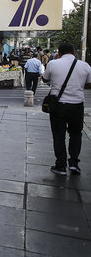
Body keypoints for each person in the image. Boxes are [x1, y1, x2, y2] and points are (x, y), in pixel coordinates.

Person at [41, 42, 91, 176]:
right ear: (74, 53)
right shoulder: (85, 65)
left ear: (59, 53)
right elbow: (88, 83)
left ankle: (61, 165)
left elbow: (44, 79)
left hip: (58, 106)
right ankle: (74, 164)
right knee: (76, 134)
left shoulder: (53, 63)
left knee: (59, 135)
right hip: (77, 105)